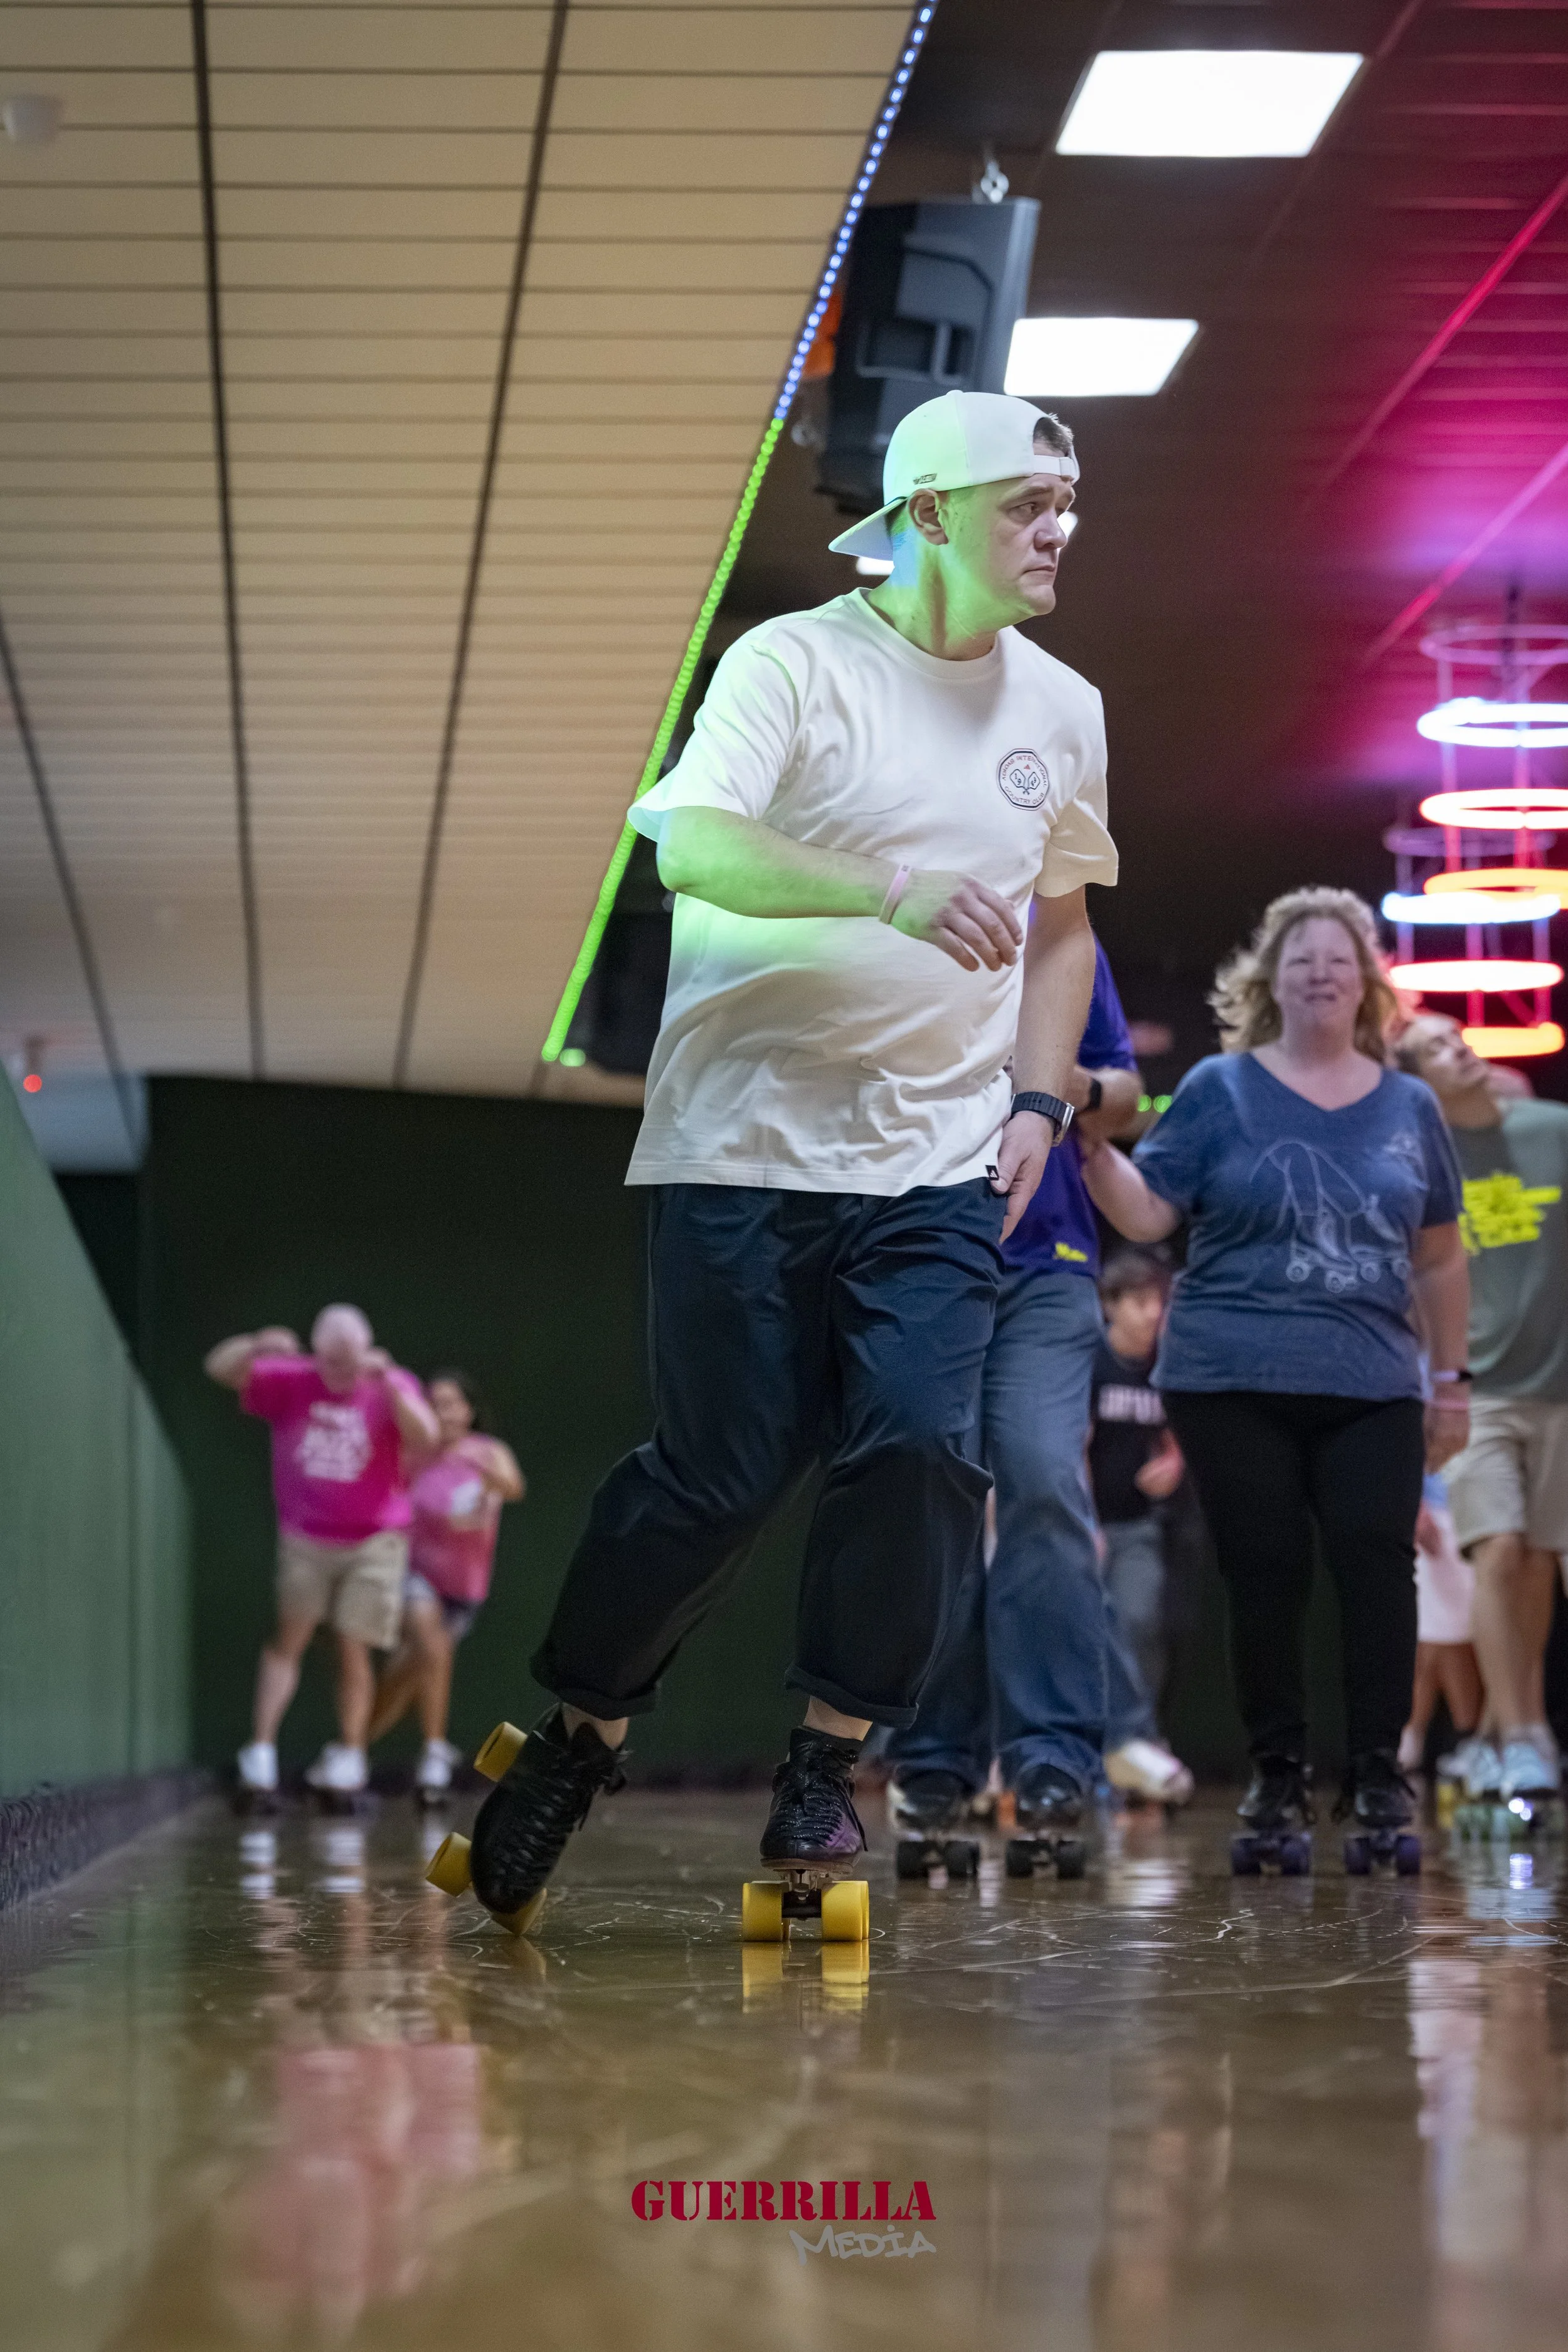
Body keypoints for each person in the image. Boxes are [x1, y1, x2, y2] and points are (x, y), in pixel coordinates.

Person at [464, 388, 1119, 1932]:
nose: (1059, 531)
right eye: (1030, 503)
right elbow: (690, 844)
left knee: (916, 1452)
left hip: (941, 1159)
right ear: (934, 514)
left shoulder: (1065, 706)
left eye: (1069, 504)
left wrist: (1034, 1105)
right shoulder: (794, 663)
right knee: (719, 1473)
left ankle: (831, 1757)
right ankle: (581, 1732)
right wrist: (886, 889)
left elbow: (1064, 917)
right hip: (745, 1141)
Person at [1078, 889, 1470, 1856]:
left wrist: (1452, 1377)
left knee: (1378, 1571)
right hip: (1231, 1375)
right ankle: (1277, 1783)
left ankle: (1379, 1782)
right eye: (1302, 957)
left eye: (1340, 957)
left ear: (1369, 985)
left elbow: (1439, 1256)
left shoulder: (1410, 1105)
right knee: (1266, 1574)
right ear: (1271, 981)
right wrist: (1083, 1140)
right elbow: (1149, 1214)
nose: (1322, 971)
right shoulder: (1220, 1089)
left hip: (1374, 1377)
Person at [882, 947, 1191, 1853]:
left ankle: (1052, 1761)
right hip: (922, 1252)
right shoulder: (907, 910)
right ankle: (934, 1761)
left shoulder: (1063, 933)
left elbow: (1128, 1093)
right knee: (935, 1492)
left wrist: (1059, 1085)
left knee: (1045, 1481)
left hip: (1050, 1269)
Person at [1394, 1011, 1568, 1815]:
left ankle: (1508, 1728)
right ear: (1416, 1084)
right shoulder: (1422, 1163)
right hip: (1478, 1389)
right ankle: (1525, 1738)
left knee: (1538, 1563)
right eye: (1433, 1048)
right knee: (1496, 1551)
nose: (1457, 1047)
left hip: (1559, 1386)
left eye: (1455, 1035)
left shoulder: (1550, 1128)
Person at [206, 1306, 439, 1801]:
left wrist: (393, 1386)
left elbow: (427, 1435)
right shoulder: (292, 1379)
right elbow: (220, 1369)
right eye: (332, 1363)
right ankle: (261, 1752)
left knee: (355, 1645)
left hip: (375, 1540)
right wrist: (256, 1341)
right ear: (317, 1354)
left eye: (350, 1364)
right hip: (306, 1537)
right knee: (292, 1633)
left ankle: (352, 1757)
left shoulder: (391, 1383)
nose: (341, 1375)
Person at [368, 1371, 525, 1799]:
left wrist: (487, 1478)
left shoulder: (489, 1453)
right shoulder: (416, 1453)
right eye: (435, 1404)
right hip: (415, 1574)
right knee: (430, 1643)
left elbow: (513, 1487)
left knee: (408, 1672)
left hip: (466, 1588)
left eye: (452, 1404)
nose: (444, 1413)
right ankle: (435, 1752)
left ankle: (353, 1747)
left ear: (469, 1411)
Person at [1088, 1246, 1199, 1799]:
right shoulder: (1089, 1360)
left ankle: (1138, 1745)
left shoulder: (1171, 1365)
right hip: (1087, 1526)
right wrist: (1083, 1522)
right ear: (1109, 1306)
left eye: (1159, 1299)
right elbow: (1072, 1444)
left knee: (1140, 1620)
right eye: (1139, 1300)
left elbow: (1187, 1433)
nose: (1153, 1312)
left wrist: (1175, 1463)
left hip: (1140, 1526)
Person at [1397, 1471, 1483, 1803]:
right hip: (1435, 1511)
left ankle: (1467, 1740)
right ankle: (1417, 1737)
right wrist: (1416, 1506)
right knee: (1434, 1632)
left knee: (1465, 1634)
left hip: (1481, 1507)